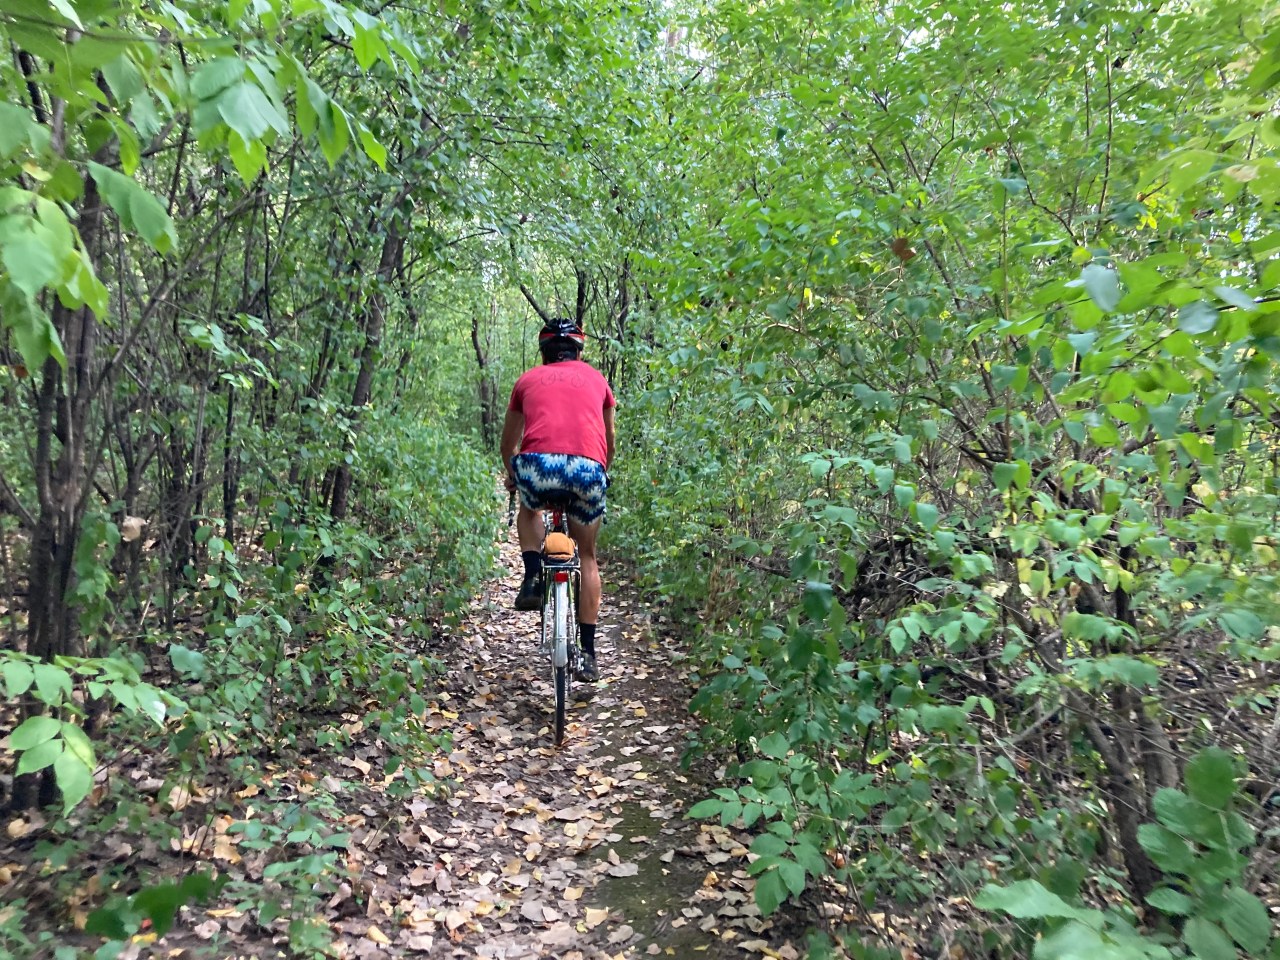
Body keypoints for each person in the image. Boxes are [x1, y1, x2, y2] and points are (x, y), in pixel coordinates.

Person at [501, 318, 616, 683]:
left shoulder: (527, 381)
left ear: (544, 352)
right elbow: (609, 440)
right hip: (588, 471)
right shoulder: (599, 381)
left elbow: (509, 444)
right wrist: (597, 471)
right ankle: (589, 654)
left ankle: (533, 575)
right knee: (587, 557)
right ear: (578, 351)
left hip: (537, 467)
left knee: (529, 508)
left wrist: (512, 475)